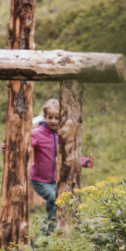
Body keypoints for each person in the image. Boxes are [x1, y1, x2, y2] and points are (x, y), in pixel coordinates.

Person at [30, 98, 93, 234]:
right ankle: (45, 235)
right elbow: (21, 142)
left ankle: (52, 233)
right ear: (44, 117)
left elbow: (69, 155)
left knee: (55, 203)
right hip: (39, 179)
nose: (53, 121)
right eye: (50, 117)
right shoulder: (37, 134)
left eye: (57, 118)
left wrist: (85, 162)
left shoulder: (63, 134)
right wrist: (7, 146)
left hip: (55, 180)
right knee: (55, 199)